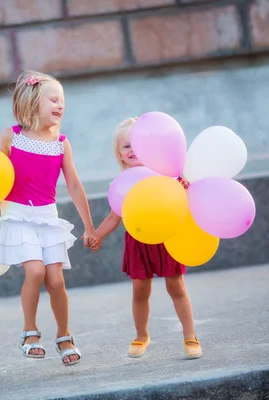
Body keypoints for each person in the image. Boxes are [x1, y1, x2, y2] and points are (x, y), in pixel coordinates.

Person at [0, 70, 99, 366]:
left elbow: (75, 186)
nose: (60, 104)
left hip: (47, 219)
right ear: (32, 101)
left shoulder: (61, 143)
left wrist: (90, 226)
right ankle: (29, 332)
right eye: (53, 98)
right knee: (36, 272)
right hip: (18, 217)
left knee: (56, 280)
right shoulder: (11, 137)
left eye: (62, 100)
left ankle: (64, 334)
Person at [90, 117, 202, 359]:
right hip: (138, 241)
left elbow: (182, 200)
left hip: (166, 238)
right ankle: (141, 335)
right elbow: (113, 217)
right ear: (119, 153)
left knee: (176, 286)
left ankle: (190, 335)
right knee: (140, 291)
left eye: (138, 145)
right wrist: (97, 234)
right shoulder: (122, 183)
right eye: (127, 146)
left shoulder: (164, 174)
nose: (133, 150)